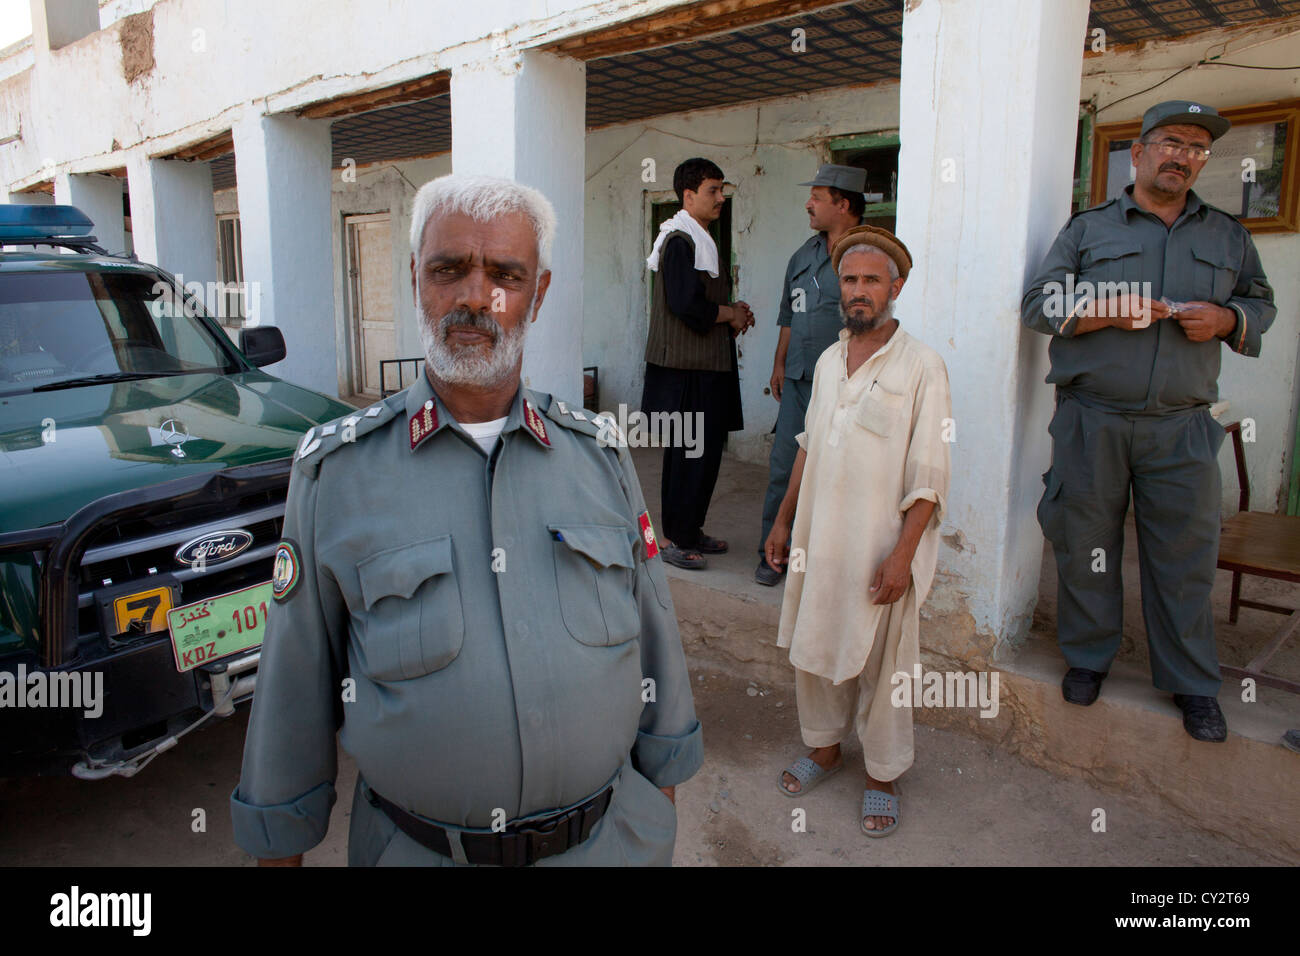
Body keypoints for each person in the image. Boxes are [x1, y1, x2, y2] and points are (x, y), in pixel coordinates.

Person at [230, 174, 703, 866]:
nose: (477, 297)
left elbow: (656, 645)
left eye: (505, 275)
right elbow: (293, 693)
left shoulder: (600, 455)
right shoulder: (336, 472)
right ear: (416, 279)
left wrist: (655, 821)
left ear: (537, 295)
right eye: (449, 270)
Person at [1021, 100, 1276, 742]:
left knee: (1186, 556)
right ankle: (1088, 657)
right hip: (1092, 419)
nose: (1182, 156)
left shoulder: (1227, 235)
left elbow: (1258, 302)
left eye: (1196, 148)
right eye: (1171, 142)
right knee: (1087, 545)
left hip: (1183, 425)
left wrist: (1227, 321)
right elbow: (1038, 302)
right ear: (1137, 153)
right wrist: (1107, 307)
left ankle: (1191, 683)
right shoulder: (1088, 229)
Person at [765, 225, 951, 837]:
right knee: (815, 650)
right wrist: (785, 519)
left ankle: (882, 773)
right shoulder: (825, 361)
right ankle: (823, 748)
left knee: (883, 664)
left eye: (872, 280)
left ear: (896, 287)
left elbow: (930, 474)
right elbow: (808, 445)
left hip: (881, 548)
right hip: (821, 541)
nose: (860, 290)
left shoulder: (923, 365)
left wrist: (903, 554)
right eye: (850, 280)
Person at [756, 164, 866, 586]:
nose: (809, 204)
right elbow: (789, 314)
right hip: (801, 380)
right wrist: (780, 362)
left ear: (843, 204)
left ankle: (826, 564)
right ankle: (773, 551)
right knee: (784, 465)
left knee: (842, 474)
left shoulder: (870, 255)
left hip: (847, 384)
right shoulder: (804, 255)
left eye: (817, 197)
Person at [643, 157, 753, 570]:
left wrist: (732, 313)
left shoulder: (701, 238)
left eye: (722, 190)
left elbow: (702, 301)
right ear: (688, 196)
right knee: (686, 455)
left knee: (705, 455)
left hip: (706, 367)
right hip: (683, 372)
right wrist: (729, 314)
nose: (720, 197)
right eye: (713, 190)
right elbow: (686, 304)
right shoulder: (678, 241)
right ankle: (672, 538)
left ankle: (691, 531)